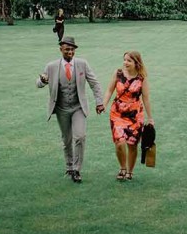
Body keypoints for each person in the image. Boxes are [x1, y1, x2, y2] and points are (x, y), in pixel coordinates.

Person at [36, 36, 104, 183]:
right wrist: (42, 80)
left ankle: (76, 169)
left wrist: (99, 102)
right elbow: (39, 83)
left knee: (80, 137)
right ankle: (69, 166)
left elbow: (95, 83)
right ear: (61, 49)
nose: (70, 52)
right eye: (67, 49)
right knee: (66, 139)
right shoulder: (51, 66)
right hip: (61, 108)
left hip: (78, 107)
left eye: (72, 49)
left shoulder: (82, 64)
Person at [102, 50, 154, 181]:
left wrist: (150, 117)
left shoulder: (142, 78)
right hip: (117, 113)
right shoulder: (118, 73)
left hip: (135, 115)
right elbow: (109, 90)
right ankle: (122, 168)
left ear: (136, 63)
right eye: (124, 59)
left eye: (129, 60)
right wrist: (103, 104)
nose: (125, 62)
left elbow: (146, 99)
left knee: (132, 144)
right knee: (119, 142)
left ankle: (130, 171)